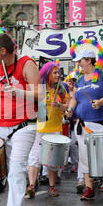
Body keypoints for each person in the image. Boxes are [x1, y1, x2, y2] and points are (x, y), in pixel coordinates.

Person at [0, 33, 40, 206]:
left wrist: (20, 92)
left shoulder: (27, 64)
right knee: (9, 171)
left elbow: (40, 93)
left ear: (2, 51)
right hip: (2, 125)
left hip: (23, 126)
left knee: (17, 169)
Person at [66, 43, 103, 201]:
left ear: (89, 60)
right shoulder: (80, 80)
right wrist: (70, 109)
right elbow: (74, 99)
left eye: (80, 61)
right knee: (84, 156)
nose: (78, 64)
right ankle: (89, 188)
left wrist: (101, 102)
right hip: (83, 123)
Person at [27, 62, 70, 198]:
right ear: (47, 74)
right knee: (34, 156)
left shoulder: (61, 88)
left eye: (58, 72)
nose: (58, 75)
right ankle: (31, 186)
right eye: (55, 73)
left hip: (55, 129)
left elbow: (68, 105)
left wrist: (60, 106)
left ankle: (52, 187)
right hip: (40, 129)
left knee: (52, 160)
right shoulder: (40, 88)